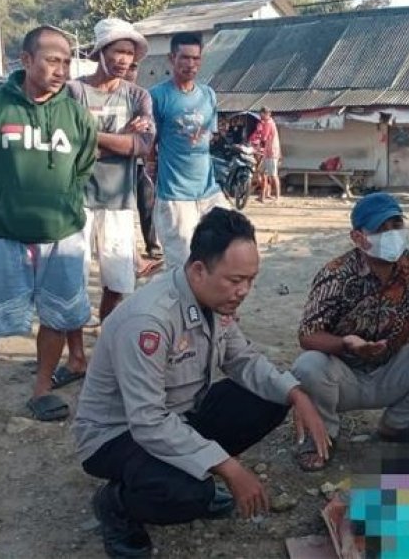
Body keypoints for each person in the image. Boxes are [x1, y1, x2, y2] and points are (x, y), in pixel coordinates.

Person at [72, 207, 330, 558]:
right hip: (118, 435)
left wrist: (297, 394)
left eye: (250, 280)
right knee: (189, 494)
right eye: (235, 280)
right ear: (197, 270)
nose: (244, 291)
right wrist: (229, 468)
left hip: (179, 416)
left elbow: (244, 360)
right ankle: (115, 505)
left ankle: (196, 472)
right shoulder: (150, 321)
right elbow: (147, 421)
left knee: (270, 394)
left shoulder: (213, 301)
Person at [0, 26, 97, 423]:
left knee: (58, 316)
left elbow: (83, 167)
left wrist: (58, 202)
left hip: (61, 234)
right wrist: (2, 201)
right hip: (3, 235)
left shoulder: (76, 115)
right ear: (26, 60)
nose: (61, 69)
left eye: (65, 61)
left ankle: (42, 388)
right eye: (51, 60)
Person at [290, 192, 409, 472]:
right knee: (307, 366)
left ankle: (395, 426)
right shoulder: (336, 273)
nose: (392, 234)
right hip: (342, 375)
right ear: (358, 237)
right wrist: (347, 345)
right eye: (381, 229)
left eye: (396, 225)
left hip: (390, 368)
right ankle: (323, 434)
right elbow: (308, 335)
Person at [55, 19, 156, 391]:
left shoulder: (138, 96)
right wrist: (119, 137)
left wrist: (94, 137)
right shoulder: (73, 92)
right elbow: (67, 141)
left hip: (118, 201)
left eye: (129, 53)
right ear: (100, 52)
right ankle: (76, 356)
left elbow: (142, 147)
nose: (123, 59)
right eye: (117, 50)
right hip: (75, 200)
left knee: (118, 282)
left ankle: (106, 353)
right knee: (71, 282)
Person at [150, 32, 231, 271]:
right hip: (175, 195)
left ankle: (214, 307)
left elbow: (208, 136)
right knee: (182, 265)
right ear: (171, 58)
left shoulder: (208, 95)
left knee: (228, 245)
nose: (190, 64)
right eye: (184, 58)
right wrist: (152, 166)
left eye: (196, 58)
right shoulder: (157, 96)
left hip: (209, 191)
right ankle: (181, 308)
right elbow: (148, 142)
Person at [124, 61, 163, 261]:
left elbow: (149, 134)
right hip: (116, 165)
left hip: (139, 164)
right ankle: (126, 251)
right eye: (128, 67)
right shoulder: (112, 98)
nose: (130, 70)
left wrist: (150, 160)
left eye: (134, 66)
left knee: (147, 205)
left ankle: (152, 246)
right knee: (123, 210)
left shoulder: (142, 98)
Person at [248, 106, 281, 202]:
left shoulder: (269, 123)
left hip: (271, 152)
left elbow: (264, 138)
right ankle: (263, 195)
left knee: (273, 175)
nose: (261, 116)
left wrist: (256, 145)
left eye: (262, 114)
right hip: (266, 152)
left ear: (266, 114)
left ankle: (277, 197)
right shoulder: (264, 123)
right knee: (262, 173)